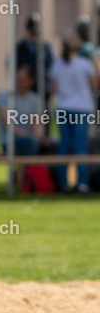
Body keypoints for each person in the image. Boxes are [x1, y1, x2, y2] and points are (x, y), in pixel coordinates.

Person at [49, 33, 99, 193]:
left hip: (63, 107)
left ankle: (63, 183)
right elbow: (94, 86)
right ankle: (82, 183)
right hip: (82, 109)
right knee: (80, 147)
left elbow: (54, 89)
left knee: (64, 147)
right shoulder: (85, 65)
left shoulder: (57, 65)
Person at [0, 65, 46, 157]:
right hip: (11, 141)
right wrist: (28, 135)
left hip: (30, 138)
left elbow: (35, 124)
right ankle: (29, 171)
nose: (19, 82)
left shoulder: (34, 99)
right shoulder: (6, 97)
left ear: (31, 81)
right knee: (32, 142)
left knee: (53, 144)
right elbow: (8, 124)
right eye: (18, 78)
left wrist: (40, 135)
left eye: (23, 79)